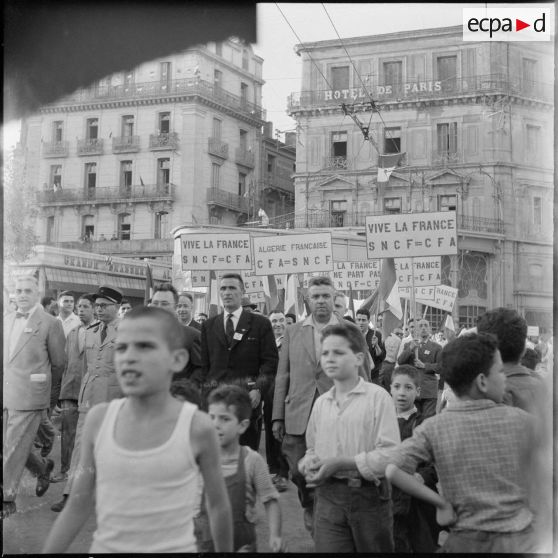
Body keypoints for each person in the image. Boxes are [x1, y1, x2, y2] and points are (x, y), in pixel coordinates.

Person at [43, 306, 233, 553]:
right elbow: (78, 505)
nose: (129, 357)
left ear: (178, 359)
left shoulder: (197, 426)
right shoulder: (99, 420)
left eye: (144, 346)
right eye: (121, 347)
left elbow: (218, 506)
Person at [379, 333, 541, 553]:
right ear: (482, 381)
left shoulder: (434, 426)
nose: (505, 378)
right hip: (519, 540)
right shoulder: (524, 422)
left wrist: (441, 502)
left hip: (465, 541)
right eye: (500, 372)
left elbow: (392, 470)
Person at [272, 276, 370, 532]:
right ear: (308, 299)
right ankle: (311, 505)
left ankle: (329, 521)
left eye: (326, 296)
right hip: (298, 414)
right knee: (297, 471)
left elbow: (365, 373)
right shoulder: (293, 331)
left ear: (334, 297)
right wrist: (277, 416)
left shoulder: (351, 330)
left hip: (341, 411)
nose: (321, 301)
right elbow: (283, 375)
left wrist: (367, 408)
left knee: (335, 467)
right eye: (315, 296)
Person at [298, 321, 399, 552]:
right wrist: (308, 463)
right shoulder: (322, 403)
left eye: (338, 352)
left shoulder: (378, 398)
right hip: (327, 497)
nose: (330, 358)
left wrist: (343, 463)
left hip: (369, 497)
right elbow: (311, 448)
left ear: (358, 358)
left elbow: (391, 455)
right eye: (325, 353)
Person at [51, 286, 123, 512]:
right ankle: (70, 494)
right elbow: (85, 369)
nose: (99, 310)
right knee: (81, 446)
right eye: (98, 305)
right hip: (89, 398)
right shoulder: (89, 331)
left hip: (115, 398)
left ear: (117, 307)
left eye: (104, 305)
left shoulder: (128, 331)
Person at [3, 275, 66, 519]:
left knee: (13, 446)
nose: (22, 295)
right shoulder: (7, 319)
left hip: (30, 395)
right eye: (18, 290)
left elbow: (59, 362)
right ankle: (42, 468)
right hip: (7, 392)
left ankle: (7, 499)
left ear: (37, 293)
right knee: (10, 445)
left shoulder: (50, 323)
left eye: (28, 290)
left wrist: (46, 390)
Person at [195, 385, 282, 552]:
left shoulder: (253, 461)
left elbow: (271, 501)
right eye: (211, 417)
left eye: (225, 419)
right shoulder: (198, 459)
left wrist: (275, 535)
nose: (216, 424)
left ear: (242, 426)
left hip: (242, 546)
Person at [200, 273, 278, 451]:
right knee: (218, 458)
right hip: (216, 403)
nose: (227, 292)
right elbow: (205, 367)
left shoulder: (260, 324)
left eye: (232, 288)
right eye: (223, 288)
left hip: (247, 401)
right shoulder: (208, 326)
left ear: (242, 291)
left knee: (246, 457)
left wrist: (258, 389)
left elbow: (270, 362)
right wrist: (206, 397)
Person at [389, 365, 439, 552]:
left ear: (418, 391)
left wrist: (419, 477)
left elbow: (434, 466)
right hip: (389, 498)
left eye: (408, 388)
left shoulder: (424, 424)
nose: (402, 393)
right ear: (390, 389)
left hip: (418, 501)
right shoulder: (381, 421)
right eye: (397, 387)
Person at [51, 294, 100, 483]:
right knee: (68, 433)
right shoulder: (72, 332)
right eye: (79, 306)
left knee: (89, 435)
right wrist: (57, 394)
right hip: (70, 390)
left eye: (85, 306)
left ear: (94, 309)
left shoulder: (101, 332)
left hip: (92, 392)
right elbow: (63, 363)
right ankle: (65, 471)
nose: (80, 309)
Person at [148, 283, 202, 390]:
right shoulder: (142, 335)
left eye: (164, 303)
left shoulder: (192, 336)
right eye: (155, 303)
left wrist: (185, 391)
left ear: (175, 307)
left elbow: (201, 370)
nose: (159, 307)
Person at [264, 311, 289, 492]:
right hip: (268, 394)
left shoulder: (291, 342)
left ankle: (283, 472)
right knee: (270, 434)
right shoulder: (265, 344)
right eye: (274, 321)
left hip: (287, 396)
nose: (278, 324)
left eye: (281, 320)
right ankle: (272, 469)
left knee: (283, 435)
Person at [397, 319, 441, 419]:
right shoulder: (409, 345)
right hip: (413, 389)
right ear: (416, 329)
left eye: (426, 325)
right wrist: (410, 349)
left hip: (429, 391)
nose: (423, 328)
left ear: (429, 328)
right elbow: (400, 361)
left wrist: (425, 366)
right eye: (420, 326)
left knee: (428, 420)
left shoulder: (436, 347)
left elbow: (441, 367)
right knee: (413, 420)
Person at [355, 308, 386, 385]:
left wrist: (376, 346)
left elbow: (382, 356)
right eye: (358, 320)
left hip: (373, 377)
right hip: (356, 376)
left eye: (363, 320)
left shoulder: (376, 334)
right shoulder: (351, 334)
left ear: (368, 321)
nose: (361, 322)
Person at [380, 326, 403, 391]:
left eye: (401, 334)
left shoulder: (384, 337)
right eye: (398, 334)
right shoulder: (397, 340)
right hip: (390, 366)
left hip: (387, 366)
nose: (400, 336)